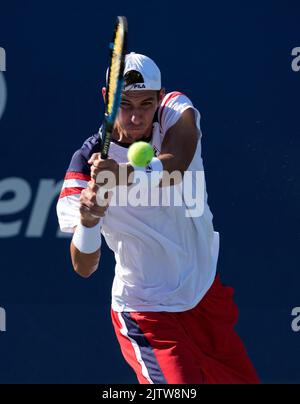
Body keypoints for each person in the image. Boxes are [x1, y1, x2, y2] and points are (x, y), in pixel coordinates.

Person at [56, 52, 259, 384]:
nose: (136, 117)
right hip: (146, 311)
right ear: (107, 100)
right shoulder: (83, 167)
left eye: (145, 104)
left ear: (160, 98)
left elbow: (176, 163)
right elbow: (83, 266)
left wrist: (123, 175)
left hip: (204, 295)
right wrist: (90, 219)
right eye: (125, 105)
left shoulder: (176, 112)